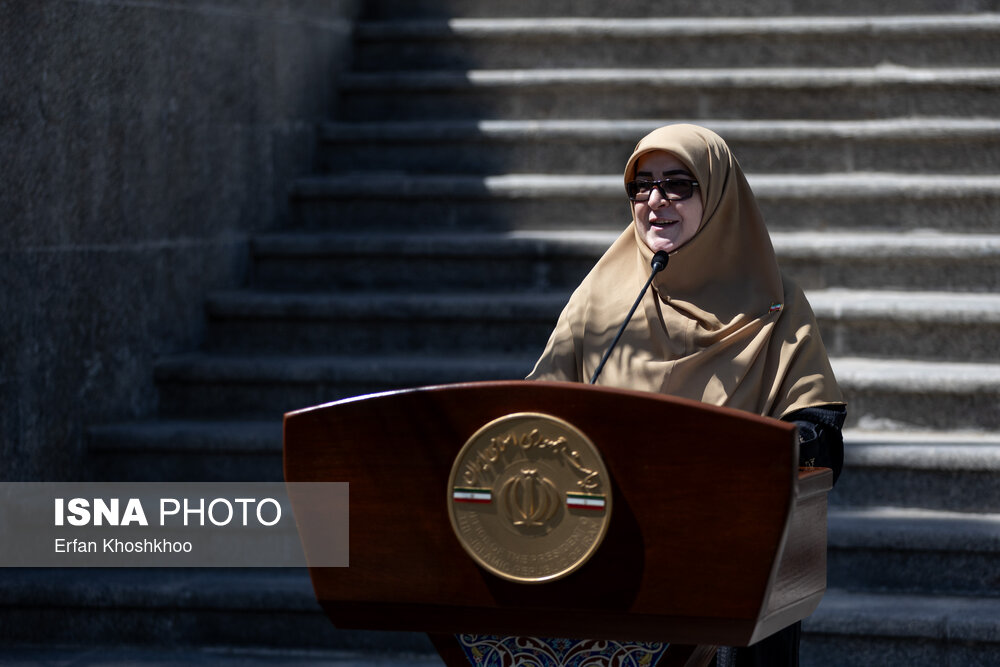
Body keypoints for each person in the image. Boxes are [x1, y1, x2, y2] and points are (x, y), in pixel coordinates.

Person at [527, 124, 846, 667]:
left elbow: (819, 436)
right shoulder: (597, 301)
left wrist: (743, 457)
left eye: (677, 184)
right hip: (610, 557)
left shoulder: (778, 304)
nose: (655, 201)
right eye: (641, 185)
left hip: (732, 561)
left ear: (719, 195)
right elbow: (535, 416)